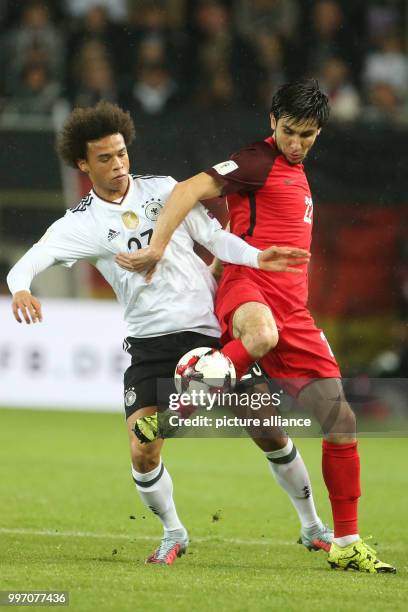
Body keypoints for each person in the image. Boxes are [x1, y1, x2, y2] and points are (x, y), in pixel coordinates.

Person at [7, 100, 332, 567]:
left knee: (269, 430)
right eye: (104, 158)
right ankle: (172, 532)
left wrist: (257, 258)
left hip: (209, 332)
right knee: (143, 448)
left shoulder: (163, 190)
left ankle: (312, 526)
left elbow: (216, 239)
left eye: (121, 153)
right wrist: (20, 289)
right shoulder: (79, 222)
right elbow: (30, 262)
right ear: (83, 164)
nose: (118, 165)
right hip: (151, 344)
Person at [126, 81, 396, 574]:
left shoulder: (295, 171)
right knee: (260, 336)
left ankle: (348, 542)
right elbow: (187, 190)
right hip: (250, 290)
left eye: (307, 136)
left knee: (341, 423)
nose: (296, 144)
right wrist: (159, 246)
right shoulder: (255, 160)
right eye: (289, 131)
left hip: (295, 312)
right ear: (273, 119)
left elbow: (247, 225)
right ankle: (181, 400)